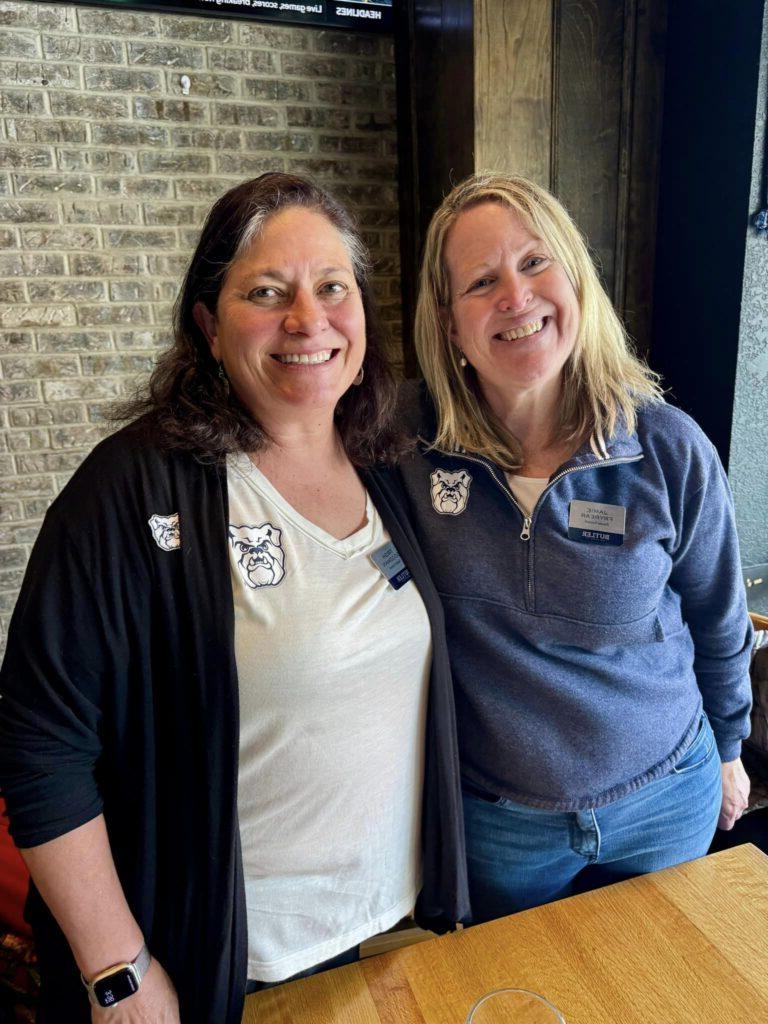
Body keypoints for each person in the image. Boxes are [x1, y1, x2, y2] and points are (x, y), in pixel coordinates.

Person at [0, 173, 469, 1023]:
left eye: (333, 287)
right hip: (223, 969)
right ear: (209, 327)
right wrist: (119, 972)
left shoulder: (391, 463)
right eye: (266, 292)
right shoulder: (131, 490)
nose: (308, 319)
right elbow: (39, 744)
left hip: (392, 934)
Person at [397, 172, 753, 924]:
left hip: (666, 800)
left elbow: (721, 619)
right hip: (499, 827)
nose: (516, 299)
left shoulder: (667, 449)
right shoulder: (404, 446)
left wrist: (728, 748)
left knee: (651, 988)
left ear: (576, 280)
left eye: (535, 264)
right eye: (482, 281)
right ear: (448, 320)